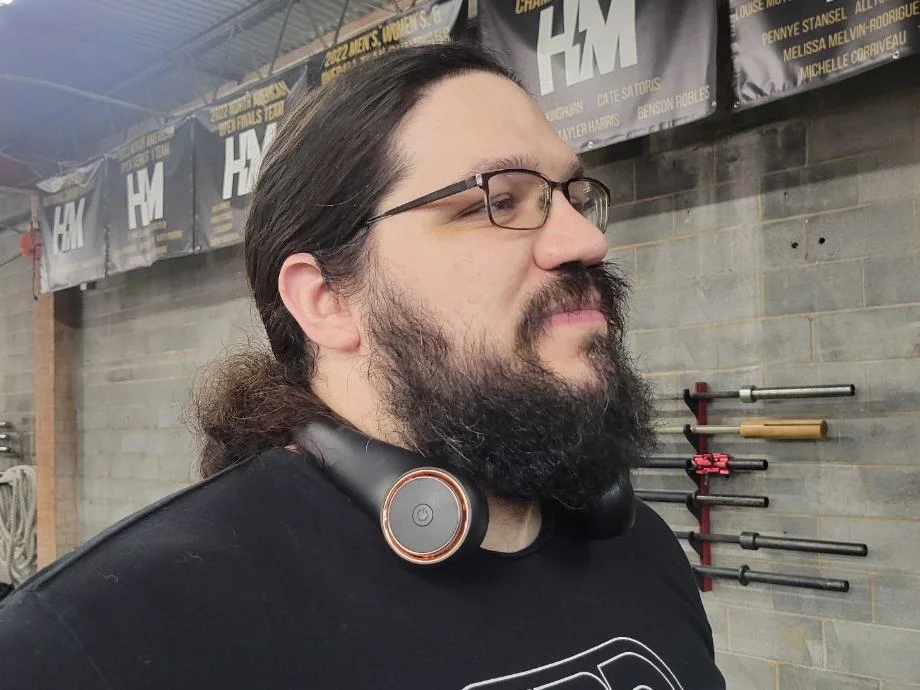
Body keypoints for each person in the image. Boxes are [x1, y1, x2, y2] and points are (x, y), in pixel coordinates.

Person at [0, 42, 725, 688]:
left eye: (572, 196)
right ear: (327, 301)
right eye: (498, 199)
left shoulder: (643, 551)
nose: (582, 241)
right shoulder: (95, 643)